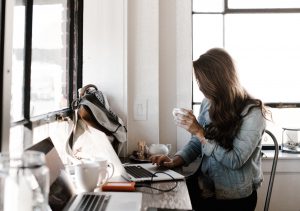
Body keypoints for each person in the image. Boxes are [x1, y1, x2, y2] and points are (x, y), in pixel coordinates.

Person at [150, 48, 269, 211]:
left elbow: (234, 160)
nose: (200, 88)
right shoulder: (208, 103)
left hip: (234, 197)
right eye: (198, 81)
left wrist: (200, 132)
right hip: (205, 187)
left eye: (202, 82)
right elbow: (197, 143)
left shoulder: (253, 113)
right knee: (161, 199)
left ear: (219, 81)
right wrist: (175, 160)